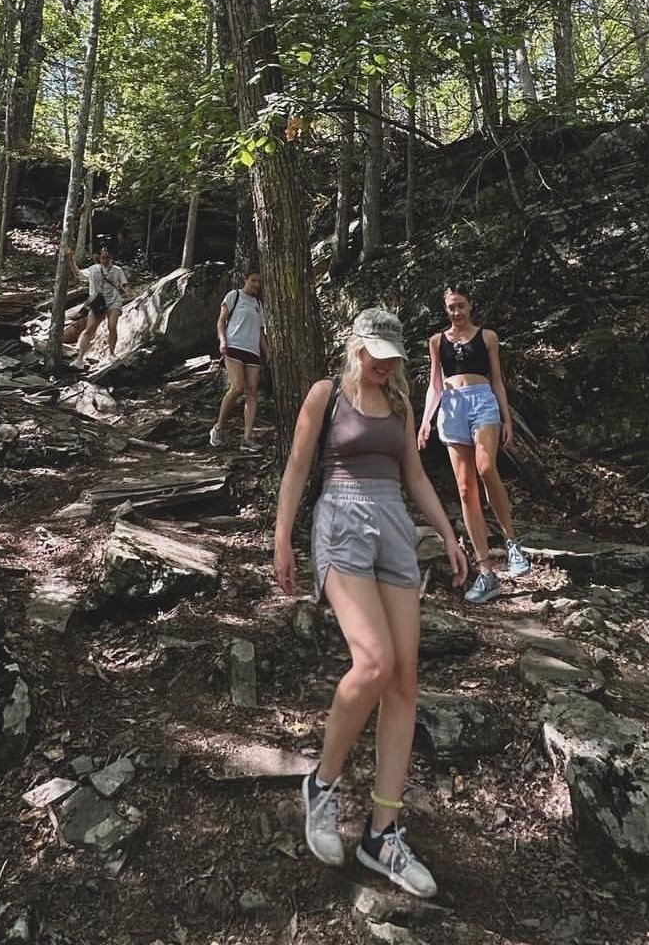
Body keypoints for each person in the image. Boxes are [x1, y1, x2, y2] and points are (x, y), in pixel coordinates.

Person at [274, 308, 468, 899]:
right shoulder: (326, 394)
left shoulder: (403, 405)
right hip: (341, 523)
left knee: (405, 680)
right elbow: (299, 466)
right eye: (376, 352)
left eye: (393, 355)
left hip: (394, 529)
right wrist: (281, 537)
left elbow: (415, 479)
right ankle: (323, 785)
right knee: (374, 661)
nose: (385, 364)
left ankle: (382, 832)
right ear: (356, 346)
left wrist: (451, 534)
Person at [417, 285, 530, 604]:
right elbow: (434, 384)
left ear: (471, 306)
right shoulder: (437, 341)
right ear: (446, 308)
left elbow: (497, 379)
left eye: (461, 306)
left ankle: (511, 542)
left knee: (486, 468)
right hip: (451, 407)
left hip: (482, 402)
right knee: (465, 489)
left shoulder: (488, 337)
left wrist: (507, 418)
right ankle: (486, 571)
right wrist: (425, 420)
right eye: (451, 307)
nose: (456, 312)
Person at [209, 268, 267, 453]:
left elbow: (260, 331)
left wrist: (268, 351)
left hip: (252, 351)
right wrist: (223, 341)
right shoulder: (234, 296)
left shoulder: (258, 304)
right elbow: (221, 321)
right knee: (237, 387)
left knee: (252, 392)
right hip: (234, 346)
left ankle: (247, 438)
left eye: (259, 282)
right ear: (246, 280)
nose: (257, 285)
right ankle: (218, 428)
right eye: (254, 280)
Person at [64, 243, 129, 368]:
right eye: (103, 257)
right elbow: (78, 274)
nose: (105, 260)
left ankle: (111, 354)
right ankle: (80, 358)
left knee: (112, 326)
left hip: (114, 302)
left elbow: (124, 284)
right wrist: (71, 260)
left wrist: (128, 292)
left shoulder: (117, 270)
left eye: (108, 257)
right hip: (97, 302)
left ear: (111, 258)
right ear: (99, 258)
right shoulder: (93, 269)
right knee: (89, 329)